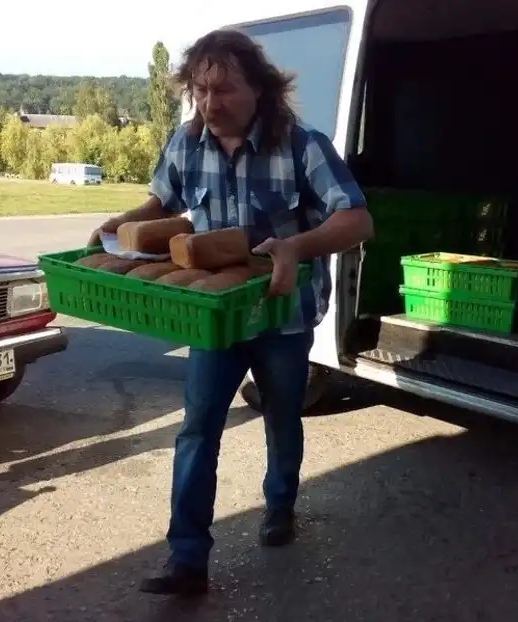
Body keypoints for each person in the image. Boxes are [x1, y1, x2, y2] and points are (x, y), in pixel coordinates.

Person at [88, 29, 374, 596]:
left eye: (223, 90)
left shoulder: (302, 145)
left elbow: (357, 219)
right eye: (199, 90)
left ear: (259, 89)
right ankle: (186, 558)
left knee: (282, 416)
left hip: (282, 316)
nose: (209, 103)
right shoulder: (186, 142)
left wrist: (296, 247)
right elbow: (161, 202)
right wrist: (121, 224)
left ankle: (280, 505)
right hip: (214, 317)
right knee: (197, 430)